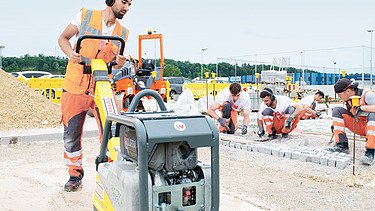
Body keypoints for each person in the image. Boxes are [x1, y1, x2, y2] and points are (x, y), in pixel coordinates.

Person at [58, 0, 131, 192]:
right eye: (124, 2)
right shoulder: (85, 15)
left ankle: (107, 170)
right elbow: (63, 39)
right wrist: (70, 53)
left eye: (130, 4)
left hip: (102, 87)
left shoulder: (123, 33)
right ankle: (74, 174)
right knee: (71, 134)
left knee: (111, 132)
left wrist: (120, 63)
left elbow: (115, 65)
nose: (127, 8)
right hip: (76, 84)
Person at [329, 78, 375, 165]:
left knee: (373, 114)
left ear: (348, 91)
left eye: (340, 95)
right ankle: (342, 146)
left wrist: (362, 108)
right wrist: (336, 125)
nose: (339, 97)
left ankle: (370, 151)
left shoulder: (367, 95)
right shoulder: (349, 100)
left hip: (372, 127)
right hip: (360, 125)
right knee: (337, 110)